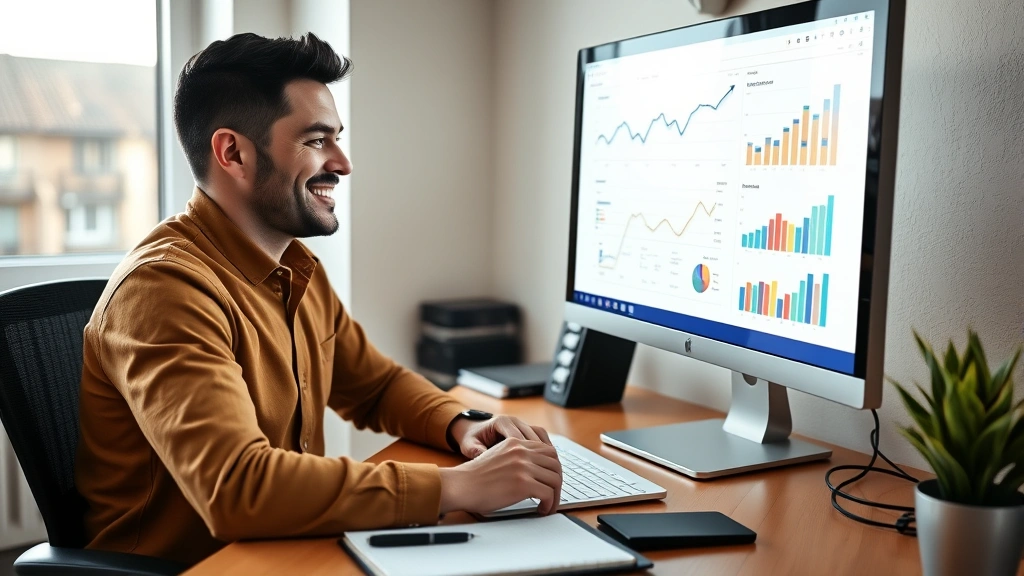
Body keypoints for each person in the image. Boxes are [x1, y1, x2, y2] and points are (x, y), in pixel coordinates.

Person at [75, 32, 562, 566]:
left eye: (336, 138)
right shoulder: (163, 290)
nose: (343, 163)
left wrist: (463, 425)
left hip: (287, 550)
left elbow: (374, 385)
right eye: (315, 141)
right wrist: (456, 488)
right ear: (233, 152)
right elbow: (238, 488)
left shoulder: (293, 266)